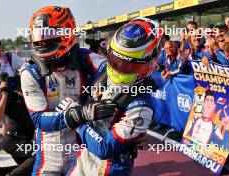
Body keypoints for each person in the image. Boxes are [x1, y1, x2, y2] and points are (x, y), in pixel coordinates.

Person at [20, 6, 116, 175]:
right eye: (38, 37)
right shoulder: (30, 72)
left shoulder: (85, 58)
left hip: (80, 152)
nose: (42, 43)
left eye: (48, 37)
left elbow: (112, 71)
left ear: (67, 33)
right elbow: (39, 119)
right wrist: (80, 114)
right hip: (48, 156)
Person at [62, 17, 163, 176]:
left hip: (110, 167)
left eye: (129, 65)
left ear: (149, 63)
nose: (119, 68)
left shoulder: (142, 105)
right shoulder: (103, 69)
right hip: (84, 155)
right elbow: (73, 53)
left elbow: (105, 148)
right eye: (115, 60)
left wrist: (77, 118)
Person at [0, 62, 35, 176]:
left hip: (26, 140)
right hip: (14, 140)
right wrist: (4, 94)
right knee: (41, 152)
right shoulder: (10, 96)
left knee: (23, 165)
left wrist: (22, 92)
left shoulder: (32, 95)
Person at [0, 38, 24, 164]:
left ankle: (5, 148)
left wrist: (18, 80)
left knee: (7, 123)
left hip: (10, 96)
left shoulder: (9, 57)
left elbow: (24, 66)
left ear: (1, 48)